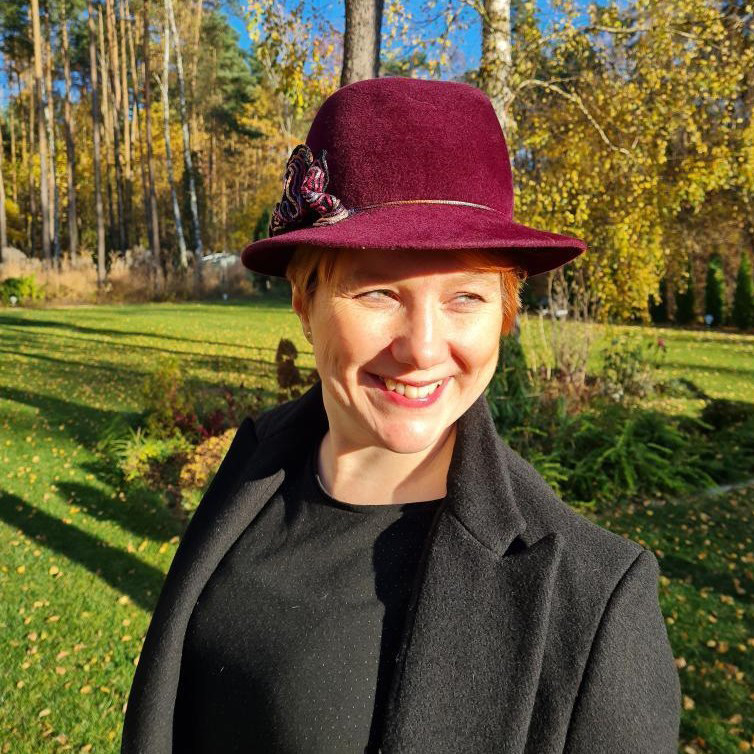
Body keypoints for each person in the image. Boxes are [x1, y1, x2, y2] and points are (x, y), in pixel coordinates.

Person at [121, 77, 681, 754]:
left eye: (466, 297)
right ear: (305, 299)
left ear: (504, 315)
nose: (421, 348)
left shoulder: (593, 601)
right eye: (380, 289)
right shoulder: (255, 468)